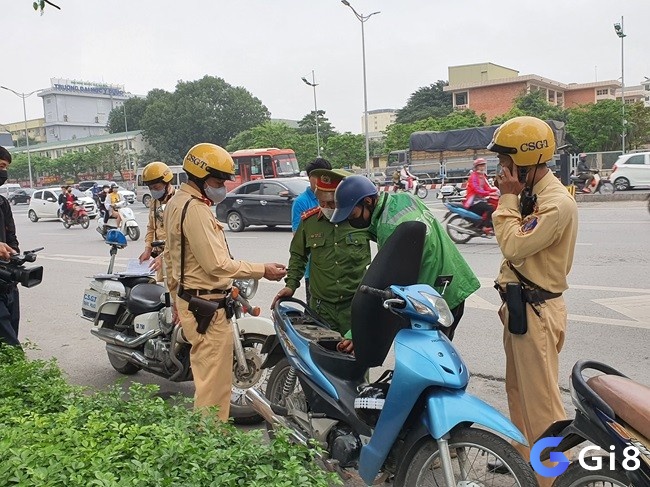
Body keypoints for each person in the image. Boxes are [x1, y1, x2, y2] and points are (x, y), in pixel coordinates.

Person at [163, 142, 286, 421]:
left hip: (191, 300)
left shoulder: (177, 202)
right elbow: (216, 264)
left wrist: (175, 300)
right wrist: (262, 270)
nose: (223, 187)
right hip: (205, 305)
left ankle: (207, 438)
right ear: (200, 177)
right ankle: (210, 443)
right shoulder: (194, 209)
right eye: (218, 181)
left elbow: (172, 259)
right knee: (215, 386)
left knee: (208, 378)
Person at [487, 116, 578, 484]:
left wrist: (506, 198)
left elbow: (513, 244)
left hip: (537, 311)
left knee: (542, 405)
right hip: (520, 308)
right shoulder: (531, 196)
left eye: (506, 161)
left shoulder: (555, 204)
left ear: (526, 161)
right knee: (517, 393)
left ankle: (552, 479)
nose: (501, 169)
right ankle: (525, 462)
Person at [331, 175, 480, 343]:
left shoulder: (389, 228)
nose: (351, 220)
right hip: (453, 281)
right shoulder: (405, 198)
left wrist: (355, 334)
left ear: (367, 201)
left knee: (426, 358)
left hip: (434, 299)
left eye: (352, 214)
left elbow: (385, 282)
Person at [272, 169, 370, 335]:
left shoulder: (361, 218)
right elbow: (298, 255)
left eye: (331, 203)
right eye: (321, 202)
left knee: (358, 356)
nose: (325, 207)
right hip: (321, 309)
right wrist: (291, 285)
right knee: (321, 356)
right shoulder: (309, 222)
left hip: (354, 306)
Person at [291, 157, 332, 303]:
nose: (323, 181)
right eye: (318, 177)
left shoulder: (334, 196)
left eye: (326, 177)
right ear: (310, 178)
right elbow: (298, 239)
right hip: (313, 272)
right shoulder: (301, 202)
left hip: (334, 270)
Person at [138, 161, 176, 282]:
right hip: (159, 257)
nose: (154, 191)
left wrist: (163, 256)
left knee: (175, 295)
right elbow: (151, 227)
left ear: (167, 183)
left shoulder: (178, 201)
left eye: (157, 187)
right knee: (164, 293)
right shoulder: (155, 202)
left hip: (175, 257)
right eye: (151, 188)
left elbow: (179, 236)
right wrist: (148, 249)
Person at [0, 147, 21, 348]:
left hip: (6, 280)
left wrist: (15, 254)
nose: (3, 173)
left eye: (5, 168)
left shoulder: (2, 202)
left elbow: (11, 236)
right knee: (10, 345)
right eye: (0, 167)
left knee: (13, 328)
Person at [463, 158, 499, 230]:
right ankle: (485, 226)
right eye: (480, 166)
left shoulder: (482, 176)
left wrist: (496, 190)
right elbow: (476, 189)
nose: (482, 167)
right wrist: (488, 193)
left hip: (481, 199)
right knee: (490, 208)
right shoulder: (473, 177)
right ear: (476, 167)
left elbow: (487, 187)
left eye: (483, 165)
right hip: (473, 201)